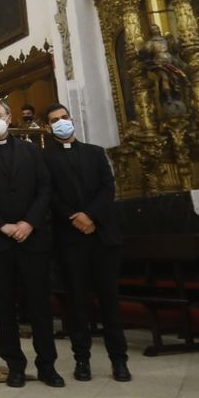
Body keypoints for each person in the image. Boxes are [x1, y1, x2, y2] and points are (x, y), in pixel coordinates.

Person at [0, 98, 62, 387]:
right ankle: (15, 365)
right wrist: (1, 225)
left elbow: (45, 188)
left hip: (32, 238)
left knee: (39, 305)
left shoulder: (32, 151)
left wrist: (28, 222)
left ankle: (47, 365)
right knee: (4, 306)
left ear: (9, 118)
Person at [46, 104, 131, 382]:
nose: (61, 123)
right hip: (70, 238)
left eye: (64, 118)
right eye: (54, 121)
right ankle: (82, 359)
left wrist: (90, 215)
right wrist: (75, 217)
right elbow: (50, 195)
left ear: (72, 120)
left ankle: (119, 360)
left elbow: (108, 187)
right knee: (77, 303)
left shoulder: (95, 152)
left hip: (102, 235)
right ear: (48, 128)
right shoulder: (45, 158)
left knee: (109, 301)